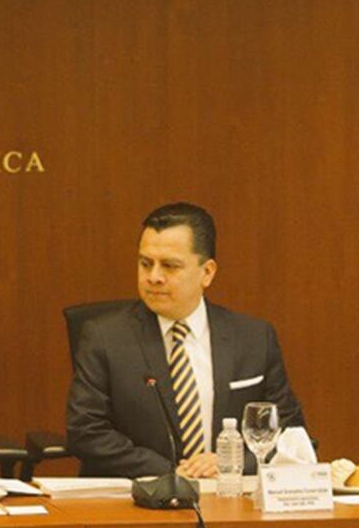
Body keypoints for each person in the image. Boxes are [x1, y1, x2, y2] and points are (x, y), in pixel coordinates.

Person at [67, 202, 305, 478]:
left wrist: (234, 462)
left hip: (230, 498)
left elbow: (290, 432)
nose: (153, 277)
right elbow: (85, 432)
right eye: (145, 264)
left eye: (169, 266)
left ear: (207, 272)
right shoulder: (104, 337)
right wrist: (172, 473)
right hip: (139, 497)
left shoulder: (253, 338)